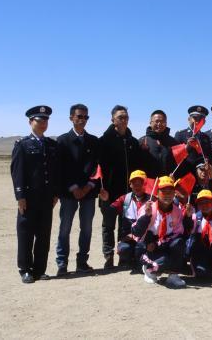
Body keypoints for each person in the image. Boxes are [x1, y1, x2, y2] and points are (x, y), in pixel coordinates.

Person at [11, 106, 60, 283]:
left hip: (46, 198)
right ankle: (25, 269)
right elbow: (17, 172)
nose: (43, 123)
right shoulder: (22, 145)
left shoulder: (51, 145)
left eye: (46, 120)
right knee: (26, 233)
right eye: (39, 120)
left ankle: (39, 269)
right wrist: (20, 196)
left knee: (43, 234)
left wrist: (56, 193)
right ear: (30, 121)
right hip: (29, 198)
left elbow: (55, 172)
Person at [55, 104, 100, 276]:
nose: (83, 120)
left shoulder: (94, 141)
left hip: (89, 192)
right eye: (79, 116)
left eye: (85, 117)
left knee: (86, 228)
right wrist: (74, 188)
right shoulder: (62, 141)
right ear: (71, 118)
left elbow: (97, 167)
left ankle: (82, 262)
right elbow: (60, 168)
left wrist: (88, 186)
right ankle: (62, 264)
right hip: (68, 193)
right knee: (65, 228)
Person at [98, 105, 142, 269]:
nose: (124, 120)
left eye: (126, 117)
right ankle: (108, 256)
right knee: (108, 226)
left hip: (128, 194)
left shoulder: (133, 142)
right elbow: (97, 168)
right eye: (120, 117)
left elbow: (138, 166)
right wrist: (100, 189)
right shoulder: (103, 141)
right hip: (109, 193)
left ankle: (124, 257)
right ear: (113, 120)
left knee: (125, 227)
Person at [132, 176, 190, 288]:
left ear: (174, 194)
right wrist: (146, 216)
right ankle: (148, 269)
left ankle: (173, 276)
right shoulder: (148, 208)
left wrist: (188, 218)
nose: (167, 195)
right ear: (157, 193)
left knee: (178, 243)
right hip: (148, 247)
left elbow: (179, 234)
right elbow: (136, 233)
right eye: (164, 192)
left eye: (170, 192)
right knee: (164, 261)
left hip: (163, 244)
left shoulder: (177, 211)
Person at [98, 170, 152, 270]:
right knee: (124, 249)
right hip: (128, 239)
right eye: (134, 183)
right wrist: (105, 201)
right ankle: (129, 260)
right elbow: (109, 213)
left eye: (140, 183)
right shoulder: (124, 199)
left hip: (145, 240)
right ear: (130, 185)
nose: (137, 186)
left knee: (142, 249)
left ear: (145, 184)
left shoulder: (152, 200)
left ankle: (140, 260)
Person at [186, 189, 212, 279]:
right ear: (198, 205)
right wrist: (188, 217)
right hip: (199, 252)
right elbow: (188, 229)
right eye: (201, 203)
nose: (204, 205)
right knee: (201, 274)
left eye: (207, 202)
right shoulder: (194, 217)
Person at [174, 106, 212, 179]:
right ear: (189, 119)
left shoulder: (205, 137)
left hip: (201, 176)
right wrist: (187, 147)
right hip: (185, 175)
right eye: (195, 118)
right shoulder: (180, 135)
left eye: (200, 119)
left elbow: (209, 155)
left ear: (204, 122)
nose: (197, 121)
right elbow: (175, 156)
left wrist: (208, 162)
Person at [139, 110, 178, 178]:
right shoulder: (141, 141)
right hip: (148, 182)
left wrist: (175, 176)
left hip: (167, 182)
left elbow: (178, 164)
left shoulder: (174, 142)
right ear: (150, 123)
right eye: (156, 121)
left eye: (162, 121)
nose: (159, 124)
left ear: (166, 123)